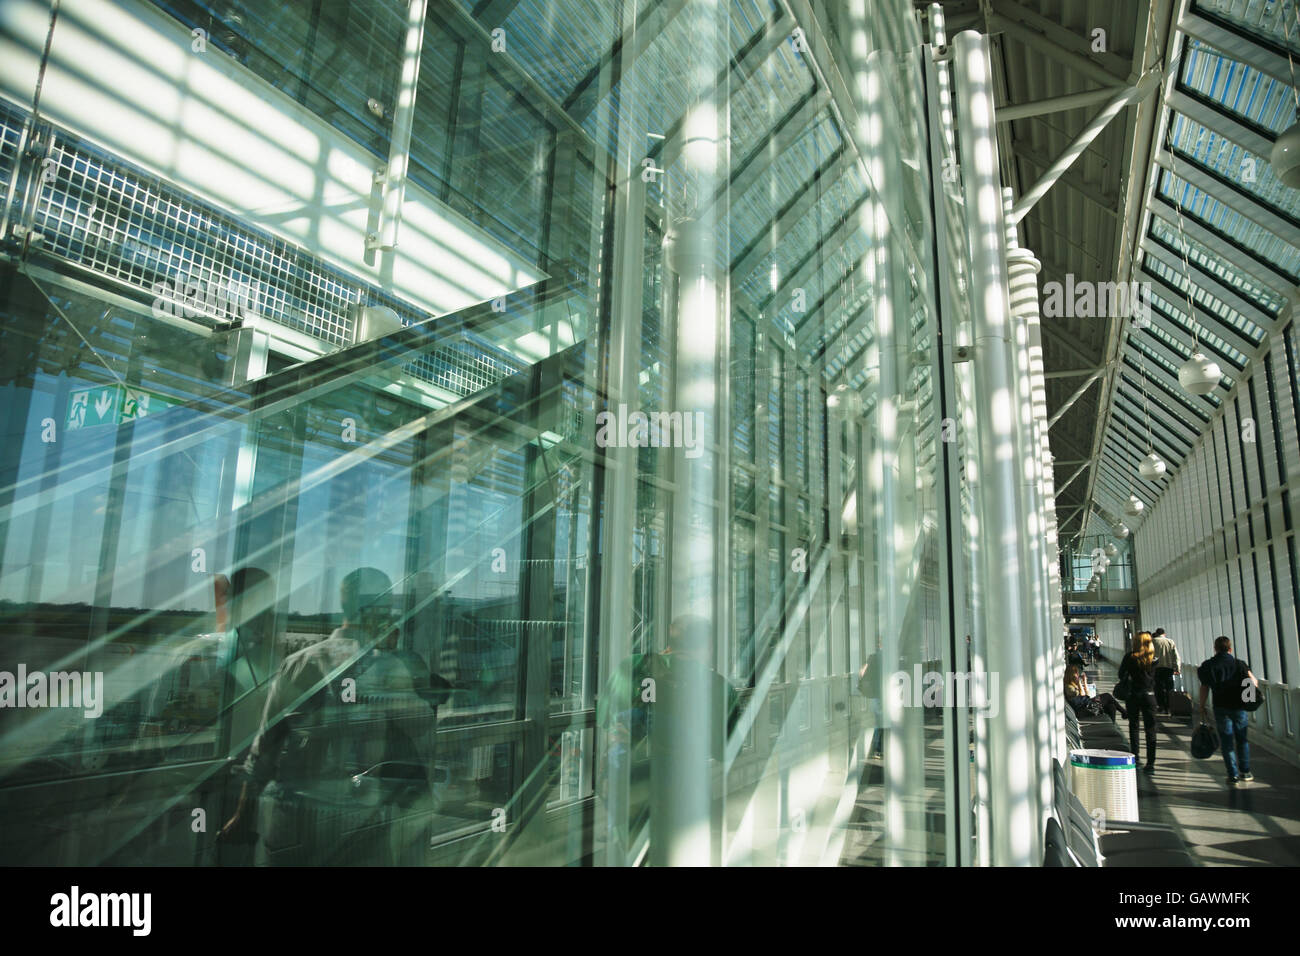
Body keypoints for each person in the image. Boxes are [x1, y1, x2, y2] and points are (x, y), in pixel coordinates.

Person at [220, 567, 446, 864]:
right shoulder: (392, 668)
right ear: (382, 608)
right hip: (364, 820)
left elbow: (264, 751)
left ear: (344, 605)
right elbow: (423, 732)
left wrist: (241, 817)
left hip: (296, 819)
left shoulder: (300, 663)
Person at [1196, 636, 1258, 786]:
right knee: (1242, 739)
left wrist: (1202, 705)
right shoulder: (1239, 664)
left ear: (1215, 649)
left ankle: (1233, 775)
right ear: (1230, 649)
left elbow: (1204, 687)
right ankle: (1245, 771)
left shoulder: (1208, 665)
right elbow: (1253, 682)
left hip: (1220, 707)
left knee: (1226, 740)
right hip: (1239, 707)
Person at [1117, 631, 1158, 772]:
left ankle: (1135, 757)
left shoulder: (1129, 657)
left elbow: (1120, 674)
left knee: (1134, 726)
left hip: (1133, 695)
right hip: (1149, 696)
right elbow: (1155, 679)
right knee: (1150, 729)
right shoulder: (1154, 659)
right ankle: (1151, 763)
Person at [1151, 627, 1181, 715]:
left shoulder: (1153, 641)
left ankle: (1161, 705)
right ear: (1164, 634)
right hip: (1168, 668)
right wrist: (1177, 668)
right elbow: (1176, 656)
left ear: (1156, 633)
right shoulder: (1170, 641)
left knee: (1158, 688)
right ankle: (1169, 706)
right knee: (1169, 687)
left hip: (1156, 668)